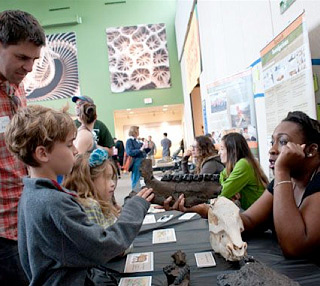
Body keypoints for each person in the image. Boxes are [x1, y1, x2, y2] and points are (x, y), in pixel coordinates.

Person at [5, 105, 154, 285]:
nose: (76, 151)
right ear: (42, 153)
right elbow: (105, 246)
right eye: (69, 145)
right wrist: (135, 207)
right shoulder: (54, 202)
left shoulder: (30, 194)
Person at [175, 111, 320, 259]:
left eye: (282, 142)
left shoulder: (307, 180)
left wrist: (282, 171)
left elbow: (294, 248)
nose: (272, 149)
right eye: (272, 142)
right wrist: (202, 209)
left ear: (310, 150)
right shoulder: (284, 182)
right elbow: (249, 220)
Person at [0, 10, 45, 285]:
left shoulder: (17, 87)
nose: (29, 68)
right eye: (22, 57)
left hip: (27, 219)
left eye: (34, 60)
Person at [217, 132, 268, 209]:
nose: (219, 153)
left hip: (261, 214)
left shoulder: (243, 164)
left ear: (233, 150)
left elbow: (222, 193)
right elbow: (222, 178)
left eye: (222, 149)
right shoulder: (236, 165)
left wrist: (229, 192)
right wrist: (231, 192)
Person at [126, 126, 148, 192]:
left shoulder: (137, 141)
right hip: (136, 163)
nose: (138, 132)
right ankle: (135, 194)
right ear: (134, 131)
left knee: (142, 180)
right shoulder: (129, 141)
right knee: (136, 179)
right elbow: (129, 152)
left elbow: (144, 151)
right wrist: (140, 149)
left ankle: (141, 193)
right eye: (137, 131)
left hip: (142, 161)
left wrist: (147, 147)